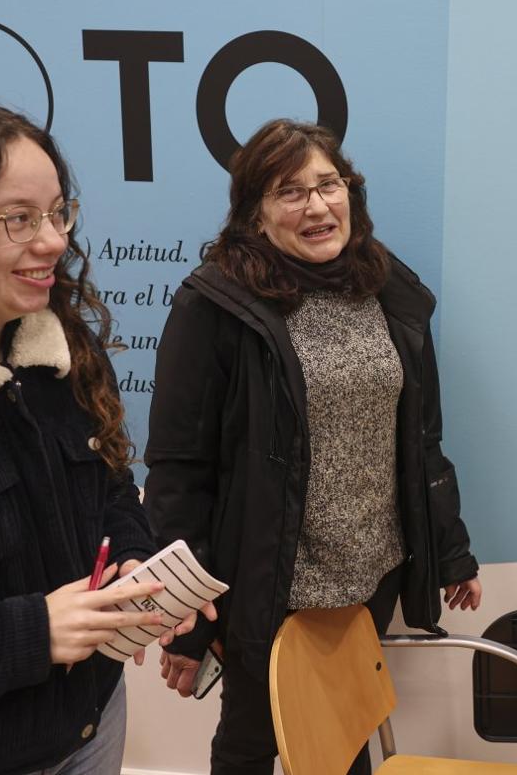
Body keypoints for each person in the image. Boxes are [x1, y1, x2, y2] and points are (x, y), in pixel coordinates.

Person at [0, 97, 207, 775]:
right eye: (17, 220)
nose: (54, 240)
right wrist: (34, 634)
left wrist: (135, 565)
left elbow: (112, 486)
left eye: (59, 212)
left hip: (92, 726)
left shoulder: (64, 349)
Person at [144, 119, 483, 775]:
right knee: (251, 743)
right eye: (290, 192)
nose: (319, 205)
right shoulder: (213, 308)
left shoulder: (387, 291)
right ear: (253, 215)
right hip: (268, 583)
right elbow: (179, 475)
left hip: (369, 575)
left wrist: (452, 549)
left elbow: (419, 439)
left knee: (344, 729)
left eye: (329, 185)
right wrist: (186, 616)